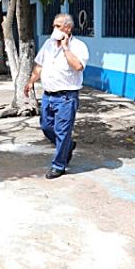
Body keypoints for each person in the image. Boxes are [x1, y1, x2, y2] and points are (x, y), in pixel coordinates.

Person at [24, 13, 90, 179]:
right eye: (53, 26)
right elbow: (39, 65)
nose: (54, 29)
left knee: (62, 132)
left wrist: (66, 48)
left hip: (66, 98)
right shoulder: (48, 44)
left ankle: (59, 165)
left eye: (58, 26)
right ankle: (68, 146)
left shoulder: (79, 46)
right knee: (46, 127)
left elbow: (78, 67)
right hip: (48, 96)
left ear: (68, 28)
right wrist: (31, 81)